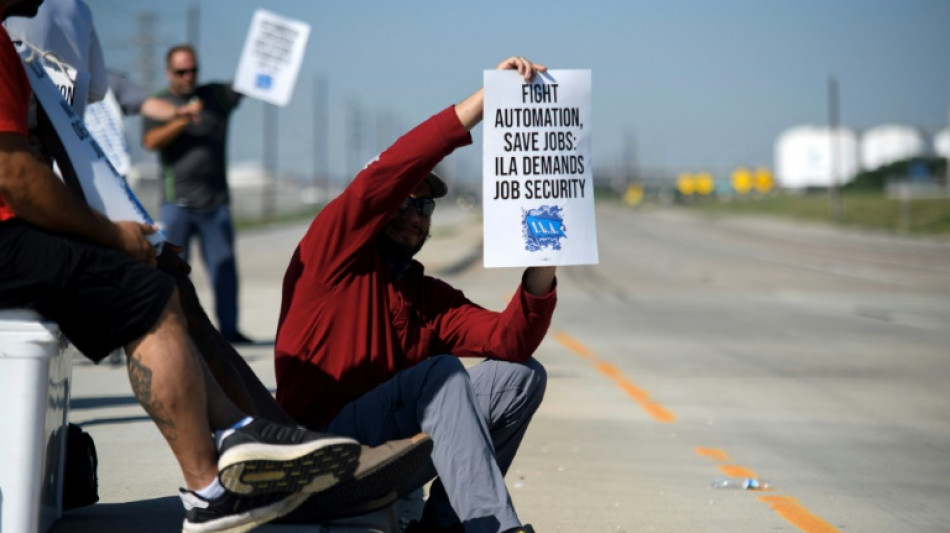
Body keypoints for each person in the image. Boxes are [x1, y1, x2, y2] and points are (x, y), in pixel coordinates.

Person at [0, 1, 431, 531]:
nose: (38, 4)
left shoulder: (74, 26)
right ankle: (217, 484)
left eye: (191, 71)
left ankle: (276, 441)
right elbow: (18, 171)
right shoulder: (16, 46)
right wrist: (111, 231)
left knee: (175, 283)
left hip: (175, 205)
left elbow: (72, 124)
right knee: (150, 296)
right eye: (179, 71)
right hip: (97, 213)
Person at [274, 56, 556, 533]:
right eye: (403, 201)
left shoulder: (423, 295)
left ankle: (445, 525)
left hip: (388, 455)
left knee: (521, 375)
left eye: (424, 205)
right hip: (319, 454)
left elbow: (510, 340)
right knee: (441, 374)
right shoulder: (333, 252)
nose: (414, 213)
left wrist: (548, 254)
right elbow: (399, 164)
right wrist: (488, 100)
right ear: (378, 204)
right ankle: (493, 528)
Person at [143, 44, 250, 344]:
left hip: (216, 203)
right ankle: (177, 329)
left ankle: (230, 330)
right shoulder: (158, 103)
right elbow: (150, 141)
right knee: (173, 271)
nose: (188, 76)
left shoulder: (215, 96)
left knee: (224, 268)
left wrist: (271, 51)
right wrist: (181, 118)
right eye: (181, 71)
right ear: (169, 73)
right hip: (177, 203)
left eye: (193, 70)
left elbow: (249, 81)